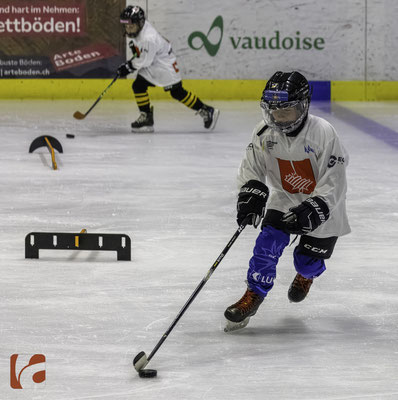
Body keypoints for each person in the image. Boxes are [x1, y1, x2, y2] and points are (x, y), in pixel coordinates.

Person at [224, 71, 350, 332]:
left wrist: (318, 206)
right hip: (285, 198)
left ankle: (307, 275)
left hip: (324, 207)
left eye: (286, 111)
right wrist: (252, 192)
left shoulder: (323, 132)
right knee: (266, 245)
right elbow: (252, 167)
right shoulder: (263, 133)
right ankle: (254, 294)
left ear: (303, 107)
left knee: (306, 261)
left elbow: (335, 177)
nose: (278, 118)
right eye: (273, 111)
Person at [118, 5, 219, 133]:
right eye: (126, 26)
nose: (128, 29)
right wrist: (131, 64)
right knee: (139, 85)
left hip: (163, 67)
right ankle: (147, 117)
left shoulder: (148, 38)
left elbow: (145, 60)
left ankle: (206, 110)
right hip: (158, 64)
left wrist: (128, 67)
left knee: (176, 92)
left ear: (140, 22)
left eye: (131, 26)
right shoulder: (142, 29)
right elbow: (143, 55)